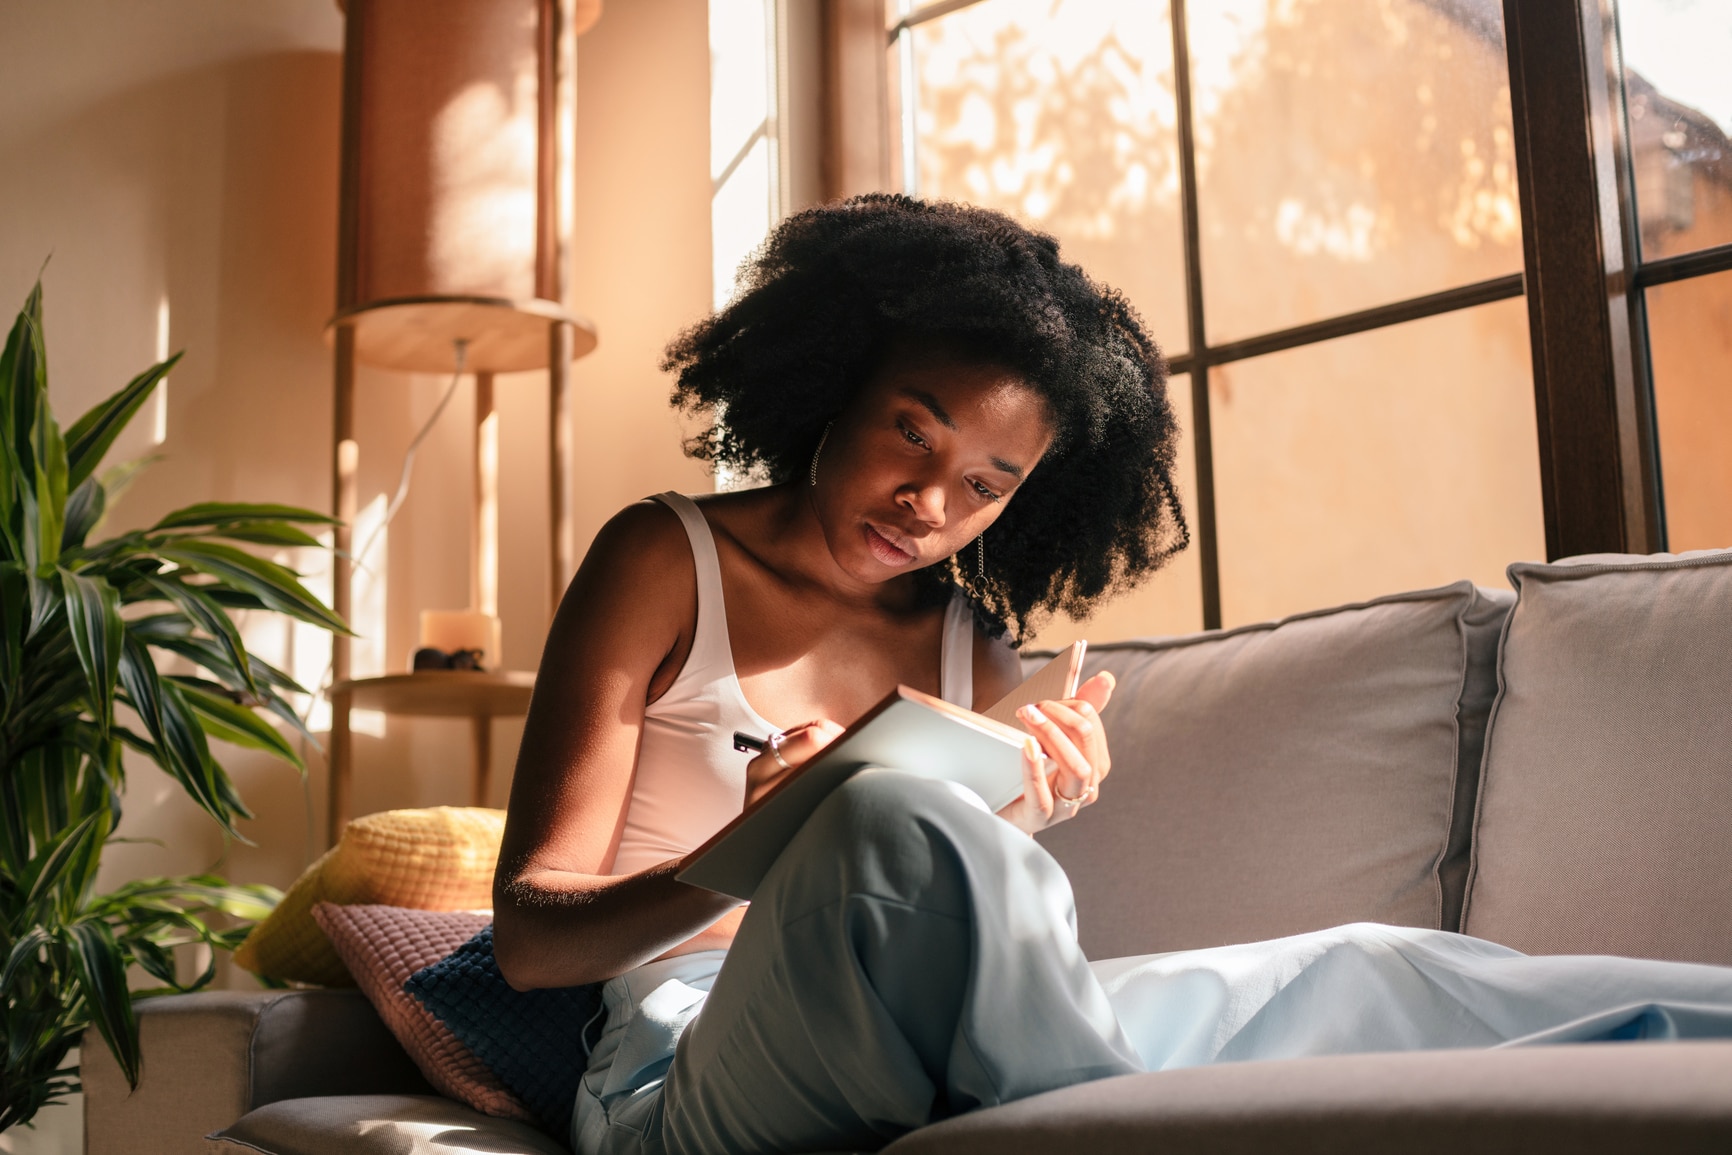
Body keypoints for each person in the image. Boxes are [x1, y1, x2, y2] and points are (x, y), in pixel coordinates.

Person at [493, 195, 1732, 1155]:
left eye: (987, 482)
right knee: (879, 811)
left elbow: (968, 929)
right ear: (836, 391)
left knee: (1369, 967)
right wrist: (752, 847)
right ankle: (1126, 1123)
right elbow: (531, 945)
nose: (930, 501)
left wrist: (1029, 811)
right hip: (683, 1060)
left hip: (946, 1036)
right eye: (911, 431)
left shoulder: (967, 649)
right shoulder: (664, 556)